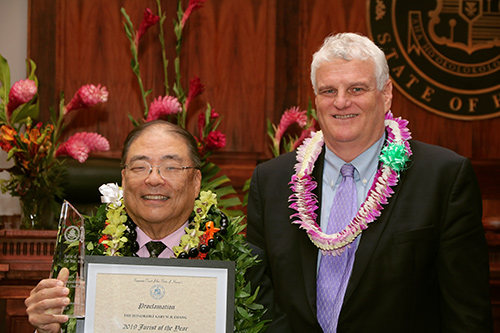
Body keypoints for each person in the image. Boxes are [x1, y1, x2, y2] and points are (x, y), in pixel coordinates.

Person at [246, 32, 493, 332]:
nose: (341, 101)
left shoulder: (443, 178)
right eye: (328, 91)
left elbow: (467, 314)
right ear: (315, 99)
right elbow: (257, 299)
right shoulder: (271, 181)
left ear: (386, 93)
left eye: (356, 88)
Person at [24, 120, 202, 333]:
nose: (154, 179)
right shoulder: (81, 255)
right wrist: (46, 328)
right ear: (124, 180)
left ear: (196, 182)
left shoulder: (238, 261)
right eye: (139, 167)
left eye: (171, 167)